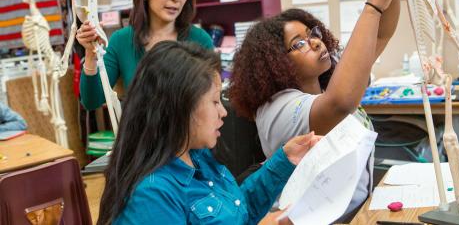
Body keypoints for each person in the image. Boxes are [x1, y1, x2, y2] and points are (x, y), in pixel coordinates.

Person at [229, 0, 419, 221]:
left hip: (357, 212)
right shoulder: (276, 109)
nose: (316, 42)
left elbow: (381, 34)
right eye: (299, 44)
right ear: (274, 63)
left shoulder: (329, 82)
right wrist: (374, 2)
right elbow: (340, 104)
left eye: (312, 33)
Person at [97, 41, 319, 225]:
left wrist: (285, 160)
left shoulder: (198, 157)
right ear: (181, 108)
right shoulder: (151, 195)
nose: (223, 112)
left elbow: (238, 211)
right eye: (214, 101)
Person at [76, 0, 213, 110]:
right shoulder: (122, 40)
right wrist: (90, 55)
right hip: (139, 133)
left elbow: (210, 101)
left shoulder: (200, 40)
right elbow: (91, 101)